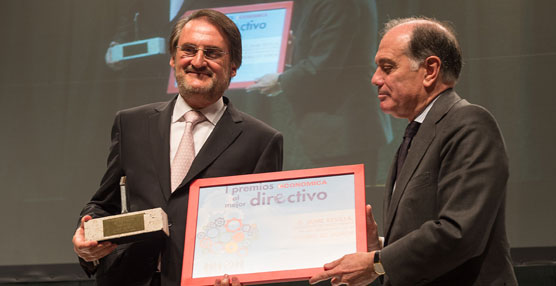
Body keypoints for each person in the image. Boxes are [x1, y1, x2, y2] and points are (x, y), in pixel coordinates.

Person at [72, 9, 283, 286]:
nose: (198, 61)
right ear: (173, 58)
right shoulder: (131, 123)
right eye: (189, 50)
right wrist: (86, 236)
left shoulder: (261, 140)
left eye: (212, 53)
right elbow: (103, 203)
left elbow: (261, 231)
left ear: (234, 66)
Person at [309, 17, 518, 286]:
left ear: (430, 70)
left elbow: (459, 232)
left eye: (387, 67)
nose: (375, 79)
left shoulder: (469, 123)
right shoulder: (416, 134)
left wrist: (377, 262)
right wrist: (379, 247)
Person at [246, 0, 387, 184]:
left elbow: (324, 65)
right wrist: (293, 52)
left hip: (342, 128)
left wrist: (280, 81)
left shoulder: (338, 4)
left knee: (346, 207)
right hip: (340, 128)